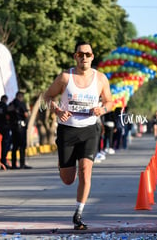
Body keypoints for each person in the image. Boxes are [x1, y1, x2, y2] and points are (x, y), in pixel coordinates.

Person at [43, 41, 113, 230]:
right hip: (67, 130)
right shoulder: (66, 77)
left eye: (88, 54)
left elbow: (109, 102)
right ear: (75, 56)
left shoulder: (100, 79)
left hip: (89, 130)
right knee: (68, 179)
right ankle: (62, 164)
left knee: (85, 170)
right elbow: (47, 96)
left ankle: (78, 213)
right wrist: (57, 111)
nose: (84, 58)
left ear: (92, 56)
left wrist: (102, 109)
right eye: (80, 54)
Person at [8, 91, 32, 169]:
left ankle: (14, 164)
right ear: (20, 96)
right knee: (22, 146)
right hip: (21, 128)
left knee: (14, 146)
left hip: (13, 127)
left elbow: (7, 115)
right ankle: (22, 164)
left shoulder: (11, 104)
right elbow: (25, 114)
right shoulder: (21, 104)